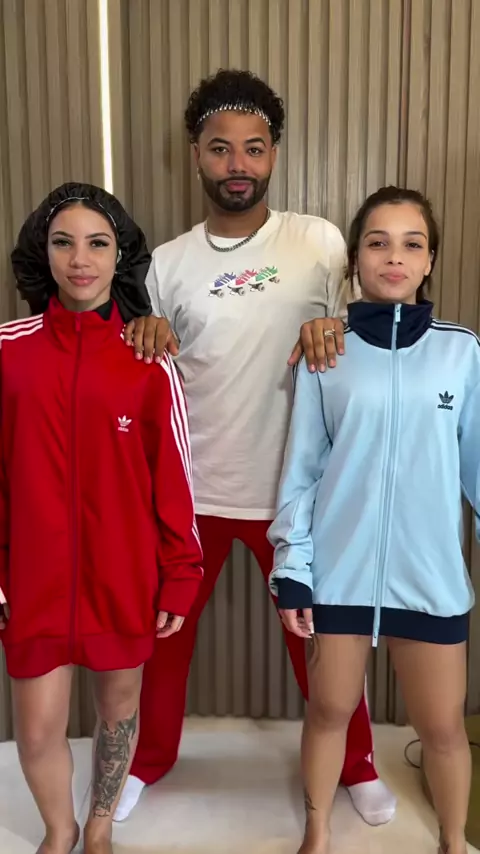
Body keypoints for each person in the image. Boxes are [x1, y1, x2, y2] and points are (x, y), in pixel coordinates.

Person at [115, 68, 396, 827]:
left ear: (274, 153)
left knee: (323, 645)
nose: (237, 164)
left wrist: (338, 325)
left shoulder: (318, 242)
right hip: (194, 492)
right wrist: (146, 332)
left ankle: (358, 764)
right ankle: (147, 761)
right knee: (163, 642)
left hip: (298, 495)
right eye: (220, 148)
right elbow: (144, 376)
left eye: (253, 147)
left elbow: (368, 334)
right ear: (196, 155)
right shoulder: (166, 264)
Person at [268, 185, 475, 854]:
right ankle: (318, 832)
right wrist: (293, 569)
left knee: (442, 727)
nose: (395, 257)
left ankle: (452, 842)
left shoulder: (462, 353)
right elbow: (302, 471)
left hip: (430, 578)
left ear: (430, 260)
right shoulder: (326, 354)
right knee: (328, 710)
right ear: (355, 257)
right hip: (341, 573)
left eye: (412, 244)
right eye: (378, 242)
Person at [0, 182, 203, 854]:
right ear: (43, 252)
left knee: (118, 713)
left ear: (121, 256)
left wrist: (180, 574)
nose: (79, 259)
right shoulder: (8, 351)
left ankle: (99, 825)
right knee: (36, 729)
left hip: (122, 579)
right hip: (31, 583)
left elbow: (175, 478)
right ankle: (59, 829)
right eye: (63, 242)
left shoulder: (148, 362)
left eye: (97, 243)